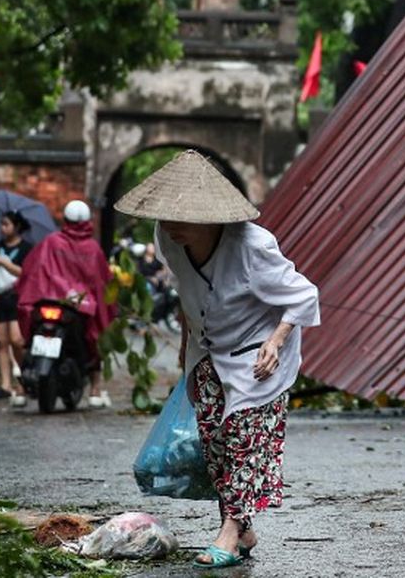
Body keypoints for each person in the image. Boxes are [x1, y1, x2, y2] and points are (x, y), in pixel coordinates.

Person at [113, 150, 319, 569]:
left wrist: (276, 342)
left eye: (181, 219)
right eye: (166, 218)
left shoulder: (251, 246)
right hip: (208, 350)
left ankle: (228, 530)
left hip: (258, 354)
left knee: (244, 441)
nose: (171, 226)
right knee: (215, 444)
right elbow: (188, 295)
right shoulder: (168, 238)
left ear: (210, 218)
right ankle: (244, 531)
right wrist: (187, 357)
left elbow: (304, 296)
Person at [16, 199, 116, 408]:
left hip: (48, 299)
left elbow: (31, 270)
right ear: (88, 221)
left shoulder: (51, 242)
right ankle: (95, 388)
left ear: (65, 220)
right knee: (95, 336)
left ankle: (20, 388)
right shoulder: (92, 249)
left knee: (26, 339)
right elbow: (101, 284)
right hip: (79, 306)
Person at [0, 211, 34, 404]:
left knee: (17, 340)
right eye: (1, 224)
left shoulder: (26, 248)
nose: (2, 228)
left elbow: (26, 273)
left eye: (6, 224)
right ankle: (5, 384)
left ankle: (24, 379)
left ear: (16, 226)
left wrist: (5, 263)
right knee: (2, 343)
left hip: (17, 298)